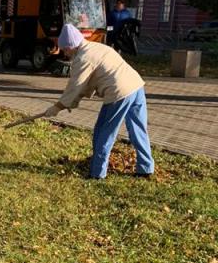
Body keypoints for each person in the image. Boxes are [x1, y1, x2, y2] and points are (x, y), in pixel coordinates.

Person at [43, 22, 154, 180]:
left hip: (119, 92)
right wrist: (69, 103)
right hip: (136, 86)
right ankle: (146, 168)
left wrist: (58, 106)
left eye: (65, 49)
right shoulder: (98, 47)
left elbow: (75, 87)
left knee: (103, 132)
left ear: (70, 46)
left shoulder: (82, 58)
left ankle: (97, 173)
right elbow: (85, 86)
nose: (65, 54)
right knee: (138, 129)